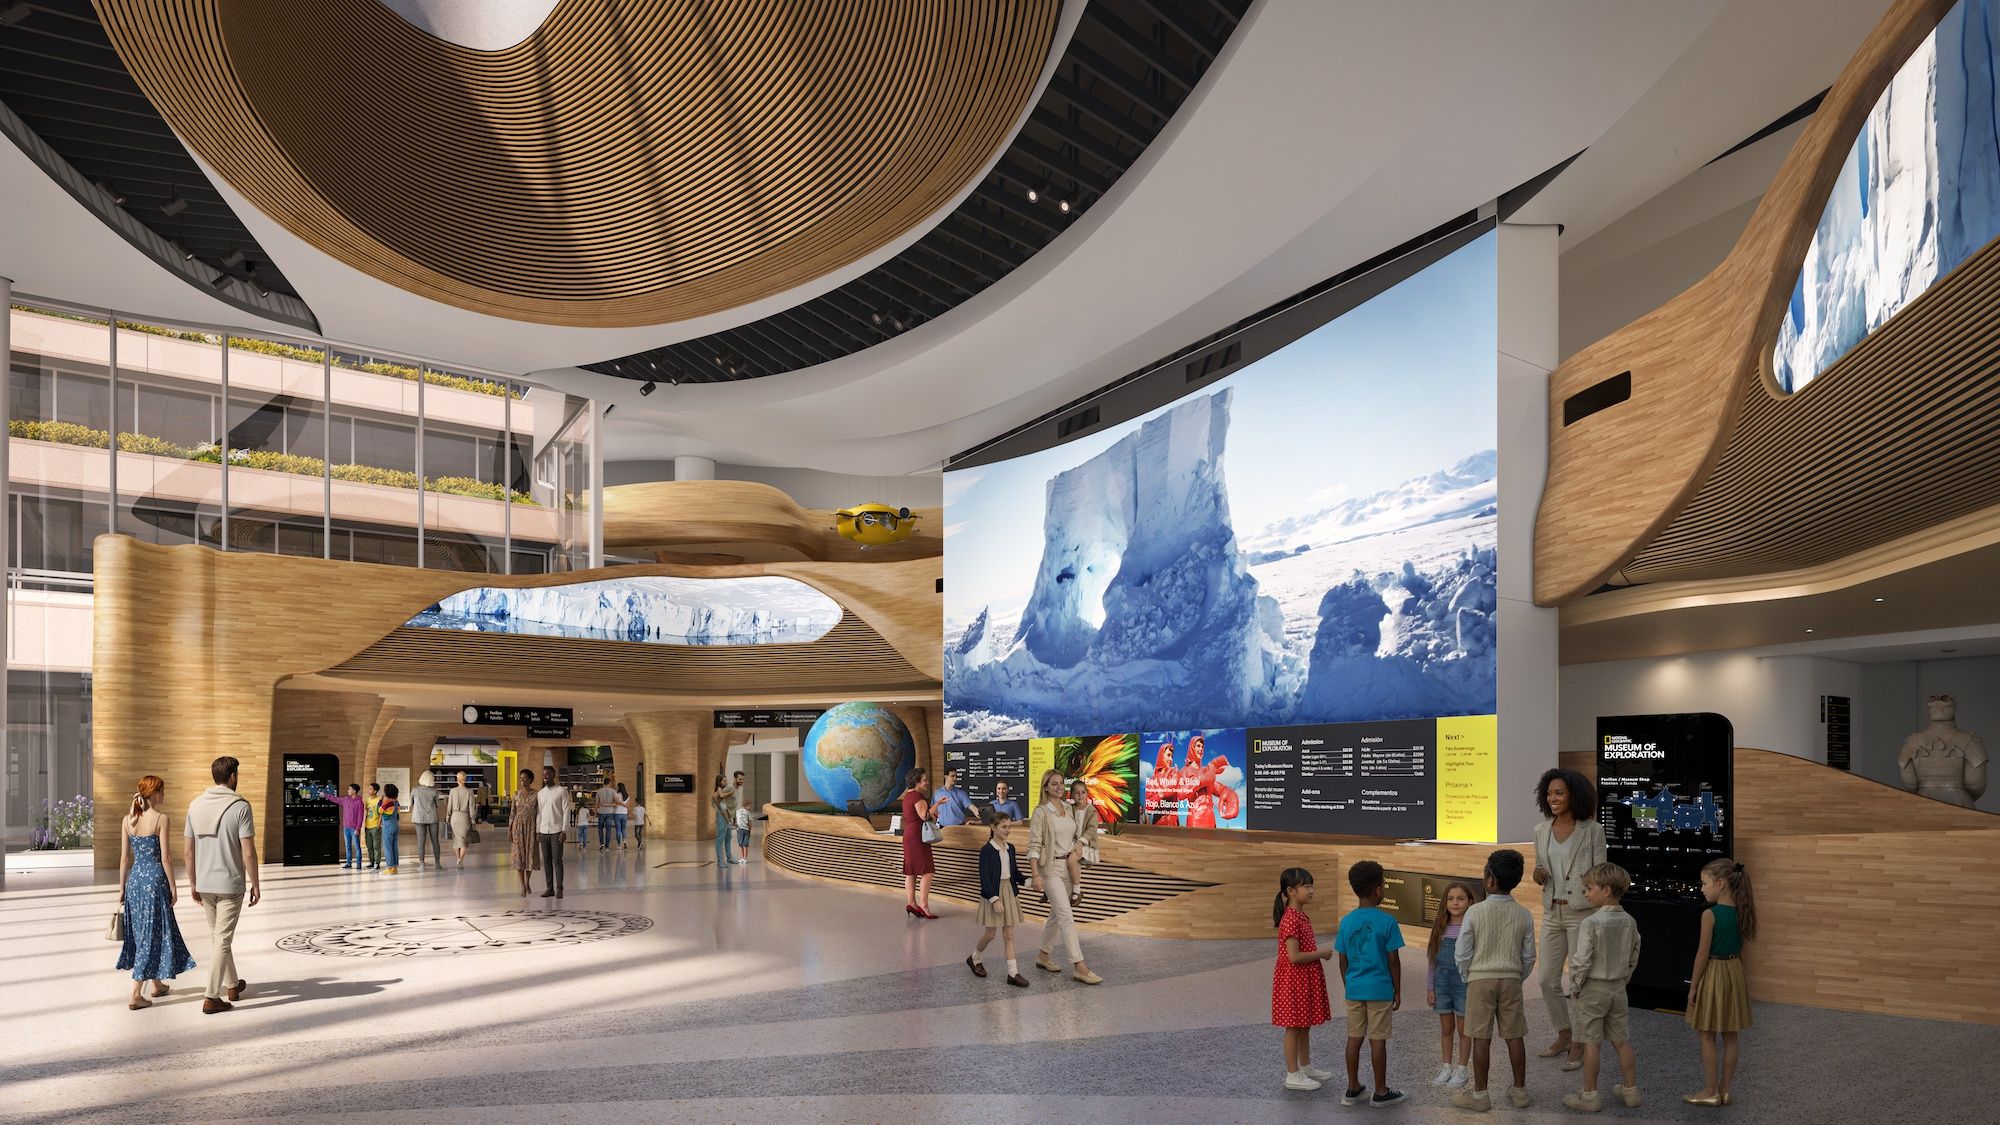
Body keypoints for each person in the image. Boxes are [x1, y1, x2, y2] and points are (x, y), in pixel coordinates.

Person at [1531, 767, 1606, 1069]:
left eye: (1559, 793)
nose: (1553, 798)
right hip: (1552, 910)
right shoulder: (1540, 830)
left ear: (1574, 795)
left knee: (1578, 981)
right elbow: (1541, 871)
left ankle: (1579, 1041)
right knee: (1547, 979)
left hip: (1582, 912)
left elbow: (1600, 875)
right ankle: (1564, 1032)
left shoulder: (1593, 830)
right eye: (1549, 793)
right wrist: (1538, 875)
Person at [1450, 848, 1536, 1112]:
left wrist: (1468, 976)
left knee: (1480, 1038)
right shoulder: (1524, 914)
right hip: (1511, 979)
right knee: (1515, 1036)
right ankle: (1520, 1090)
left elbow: (1462, 952)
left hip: (1479, 980)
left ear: (1489, 880)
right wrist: (1517, 977)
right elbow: (1529, 955)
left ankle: (1480, 1095)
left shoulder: (1475, 912)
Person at [1563, 862, 1643, 1113]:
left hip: (1593, 989)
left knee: (1591, 1043)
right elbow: (1634, 953)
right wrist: (1624, 978)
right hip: (1618, 989)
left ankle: (1589, 1095)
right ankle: (1631, 1091)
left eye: (1589, 888)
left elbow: (1581, 959)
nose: (1586, 893)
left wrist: (1575, 985)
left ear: (1606, 890)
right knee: (1621, 1040)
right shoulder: (1629, 921)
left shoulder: (1591, 922)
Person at [185, 756, 258, 1014]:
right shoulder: (240, 807)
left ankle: (233, 985)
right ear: (233, 776)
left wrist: (193, 883)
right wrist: (256, 883)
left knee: (218, 937)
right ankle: (211, 996)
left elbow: (188, 853)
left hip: (205, 883)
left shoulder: (194, 806)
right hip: (230, 883)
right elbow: (248, 852)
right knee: (222, 939)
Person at [117, 775, 195, 1010]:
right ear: (153, 793)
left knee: (145, 931)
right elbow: (166, 858)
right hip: (154, 882)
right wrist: (173, 886)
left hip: (134, 883)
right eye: (162, 791)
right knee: (152, 933)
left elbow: (124, 859)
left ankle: (157, 984)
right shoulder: (162, 819)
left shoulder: (127, 820)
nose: (164, 796)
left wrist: (121, 888)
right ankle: (135, 994)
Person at [1683, 857, 1756, 1107]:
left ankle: (1710, 1090)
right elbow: (1742, 950)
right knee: (1731, 1036)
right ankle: (1725, 1089)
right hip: (1735, 972)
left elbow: (1702, 954)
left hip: (1713, 972)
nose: (1701, 888)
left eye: (1704, 883)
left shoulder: (1710, 914)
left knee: (1706, 1035)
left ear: (1721, 883)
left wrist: (1693, 985)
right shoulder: (1744, 911)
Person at [1333, 861, 1406, 1107]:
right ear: (1378, 890)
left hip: (1354, 989)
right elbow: (1393, 960)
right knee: (1378, 1040)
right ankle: (1381, 1091)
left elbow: (1342, 960)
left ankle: (1352, 1088)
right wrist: (1397, 989)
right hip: (1380, 990)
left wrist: (1348, 985)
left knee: (1354, 1037)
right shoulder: (1388, 921)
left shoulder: (1346, 922)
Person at [1026, 768, 1102, 984]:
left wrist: (1081, 845)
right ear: (1046, 787)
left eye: (1061, 783)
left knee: (1056, 915)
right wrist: (1035, 875)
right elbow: (1033, 846)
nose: (1059, 787)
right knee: (1066, 916)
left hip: (1068, 869)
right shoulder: (1041, 812)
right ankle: (1079, 965)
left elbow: (1082, 831)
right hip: (1049, 870)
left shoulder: (1069, 809)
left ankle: (1043, 955)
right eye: (1054, 784)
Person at [1271, 867, 1333, 1091]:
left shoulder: (1300, 916)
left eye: (1311, 885)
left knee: (1303, 1025)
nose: (1311, 890)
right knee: (1293, 1028)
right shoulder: (1291, 919)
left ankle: (1305, 1067)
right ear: (1291, 891)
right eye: (1306, 886)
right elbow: (1294, 956)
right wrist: (1321, 953)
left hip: (1301, 979)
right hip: (1293, 981)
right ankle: (1292, 1073)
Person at [967, 809, 1030, 988]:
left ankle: (1013, 973)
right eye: (1004, 827)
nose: (1007, 830)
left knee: (1009, 934)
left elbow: (1014, 873)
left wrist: (1029, 881)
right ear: (993, 827)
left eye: (1009, 827)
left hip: (1008, 892)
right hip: (993, 894)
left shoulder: (1010, 848)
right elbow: (984, 878)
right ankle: (975, 958)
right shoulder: (987, 850)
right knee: (990, 934)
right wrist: (994, 899)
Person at [1428, 880, 1481, 1088]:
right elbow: (1432, 958)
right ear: (1445, 902)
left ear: (1469, 901)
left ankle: (1462, 1068)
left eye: (1460, 898)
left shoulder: (1472, 926)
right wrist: (1430, 987)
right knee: (1446, 1028)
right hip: (1442, 982)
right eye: (1451, 899)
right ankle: (1446, 1066)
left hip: (1463, 982)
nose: (1455, 903)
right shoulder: (1439, 926)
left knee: (1463, 1028)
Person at [900, 767, 938, 918]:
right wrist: (936, 805)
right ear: (916, 782)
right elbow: (924, 816)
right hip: (918, 837)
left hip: (909, 835)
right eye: (924, 780)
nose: (927, 783)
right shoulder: (917, 796)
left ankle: (911, 903)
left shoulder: (907, 797)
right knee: (927, 871)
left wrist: (932, 813)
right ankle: (924, 905)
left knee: (911, 872)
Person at [1183, 734, 1241, 829]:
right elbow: (1182, 793)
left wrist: (1229, 794)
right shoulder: (1185, 771)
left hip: (1211, 819)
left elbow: (1217, 787)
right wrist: (1202, 780)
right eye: (1198, 746)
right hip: (1196, 818)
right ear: (1191, 748)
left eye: (1202, 747)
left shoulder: (1206, 771)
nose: (1201, 749)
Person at [535, 765, 573, 898]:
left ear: (553, 776)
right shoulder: (540, 793)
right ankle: (549, 888)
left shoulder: (561, 791)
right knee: (546, 861)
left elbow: (566, 811)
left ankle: (559, 888)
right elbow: (539, 813)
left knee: (557, 860)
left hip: (557, 831)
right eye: (544, 774)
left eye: (548, 774)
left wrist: (564, 830)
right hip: (544, 831)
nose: (545, 777)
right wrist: (537, 830)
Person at [1065, 778, 1099, 907]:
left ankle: (1077, 891)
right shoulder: (1070, 808)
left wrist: (1080, 842)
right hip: (1071, 842)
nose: (1080, 795)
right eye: (1076, 792)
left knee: (1071, 860)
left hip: (1085, 843)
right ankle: (1050, 890)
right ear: (1071, 795)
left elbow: (1091, 829)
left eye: (1083, 792)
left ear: (1087, 794)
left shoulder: (1091, 810)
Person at [508, 767, 540, 896]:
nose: (521, 780)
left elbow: (539, 813)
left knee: (530, 856)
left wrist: (539, 830)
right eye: (520, 778)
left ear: (530, 780)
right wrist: (509, 829)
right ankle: (522, 886)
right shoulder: (516, 794)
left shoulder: (537, 795)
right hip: (518, 827)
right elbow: (512, 813)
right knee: (519, 856)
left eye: (524, 778)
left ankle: (528, 881)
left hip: (531, 827)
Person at [324, 783, 366, 869]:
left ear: (354, 791)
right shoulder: (345, 799)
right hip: (346, 827)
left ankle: (358, 865)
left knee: (357, 847)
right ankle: (348, 863)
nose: (348, 790)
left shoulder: (360, 803)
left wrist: (357, 829)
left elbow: (360, 817)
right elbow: (336, 799)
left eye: (350, 789)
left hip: (354, 829)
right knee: (347, 846)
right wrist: (326, 795)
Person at [410, 770, 442, 869]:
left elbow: (411, 804)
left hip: (419, 818)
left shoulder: (415, 790)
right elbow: (438, 805)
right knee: (435, 841)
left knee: (421, 841)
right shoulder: (434, 791)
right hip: (432, 818)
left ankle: (422, 864)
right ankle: (437, 863)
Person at [447, 771, 477, 868]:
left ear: (457, 779)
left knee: (456, 840)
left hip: (454, 817)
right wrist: (473, 819)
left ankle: (457, 859)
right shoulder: (470, 791)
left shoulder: (452, 791)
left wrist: (448, 816)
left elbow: (449, 805)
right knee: (464, 841)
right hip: (465, 817)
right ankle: (461, 859)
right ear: (465, 779)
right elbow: (472, 807)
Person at [710, 773, 736, 867]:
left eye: (726, 780)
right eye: (724, 781)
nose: (726, 782)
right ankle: (720, 860)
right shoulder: (720, 790)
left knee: (728, 837)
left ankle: (729, 857)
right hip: (721, 815)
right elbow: (719, 797)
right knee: (720, 837)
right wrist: (730, 793)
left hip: (726, 814)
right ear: (719, 782)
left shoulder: (724, 789)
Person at [377, 783, 401, 874]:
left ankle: (389, 867)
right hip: (395, 824)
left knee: (388, 847)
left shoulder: (387, 802)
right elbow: (398, 810)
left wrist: (380, 801)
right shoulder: (396, 801)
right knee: (394, 846)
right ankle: (395, 867)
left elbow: (379, 811)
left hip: (388, 826)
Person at [594, 776, 620, 851]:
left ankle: (601, 843)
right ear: (609, 783)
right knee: (608, 829)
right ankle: (607, 846)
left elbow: (596, 803)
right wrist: (609, 805)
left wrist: (595, 813)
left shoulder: (599, 791)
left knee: (600, 828)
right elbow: (616, 803)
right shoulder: (613, 791)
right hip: (610, 812)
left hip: (601, 812)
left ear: (603, 783)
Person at [362, 781, 383, 870]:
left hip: (375, 826)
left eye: (370, 789)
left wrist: (379, 824)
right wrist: (364, 823)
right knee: (369, 845)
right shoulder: (367, 800)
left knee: (376, 846)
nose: (368, 790)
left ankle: (377, 863)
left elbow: (381, 813)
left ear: (375, 791)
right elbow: (366, 812)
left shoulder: (379, 800)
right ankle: (371, 862)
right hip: (367, 826)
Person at [614, 782, 632, 850]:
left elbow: (615, 804)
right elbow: (628, 806)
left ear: (619, 787)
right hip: (624, 814)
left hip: (617, 813)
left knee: (618, 829)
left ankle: (619, 845)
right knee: (623, 829)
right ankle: (624, 842)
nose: (616, 788)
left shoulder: (617, 795)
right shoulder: (627, 796)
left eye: (617, 787)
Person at [735, 798, 752, 863]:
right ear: (746, 805)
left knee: (741, 844)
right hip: (746, 830)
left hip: (739, 830)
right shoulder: (748, 813)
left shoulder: (737, 811)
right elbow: (750, 823)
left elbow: (736, 820)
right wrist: (750, 830)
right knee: (745, 844)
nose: (750, 807)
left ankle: (742, 857)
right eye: (750, 805)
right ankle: (745, 858)